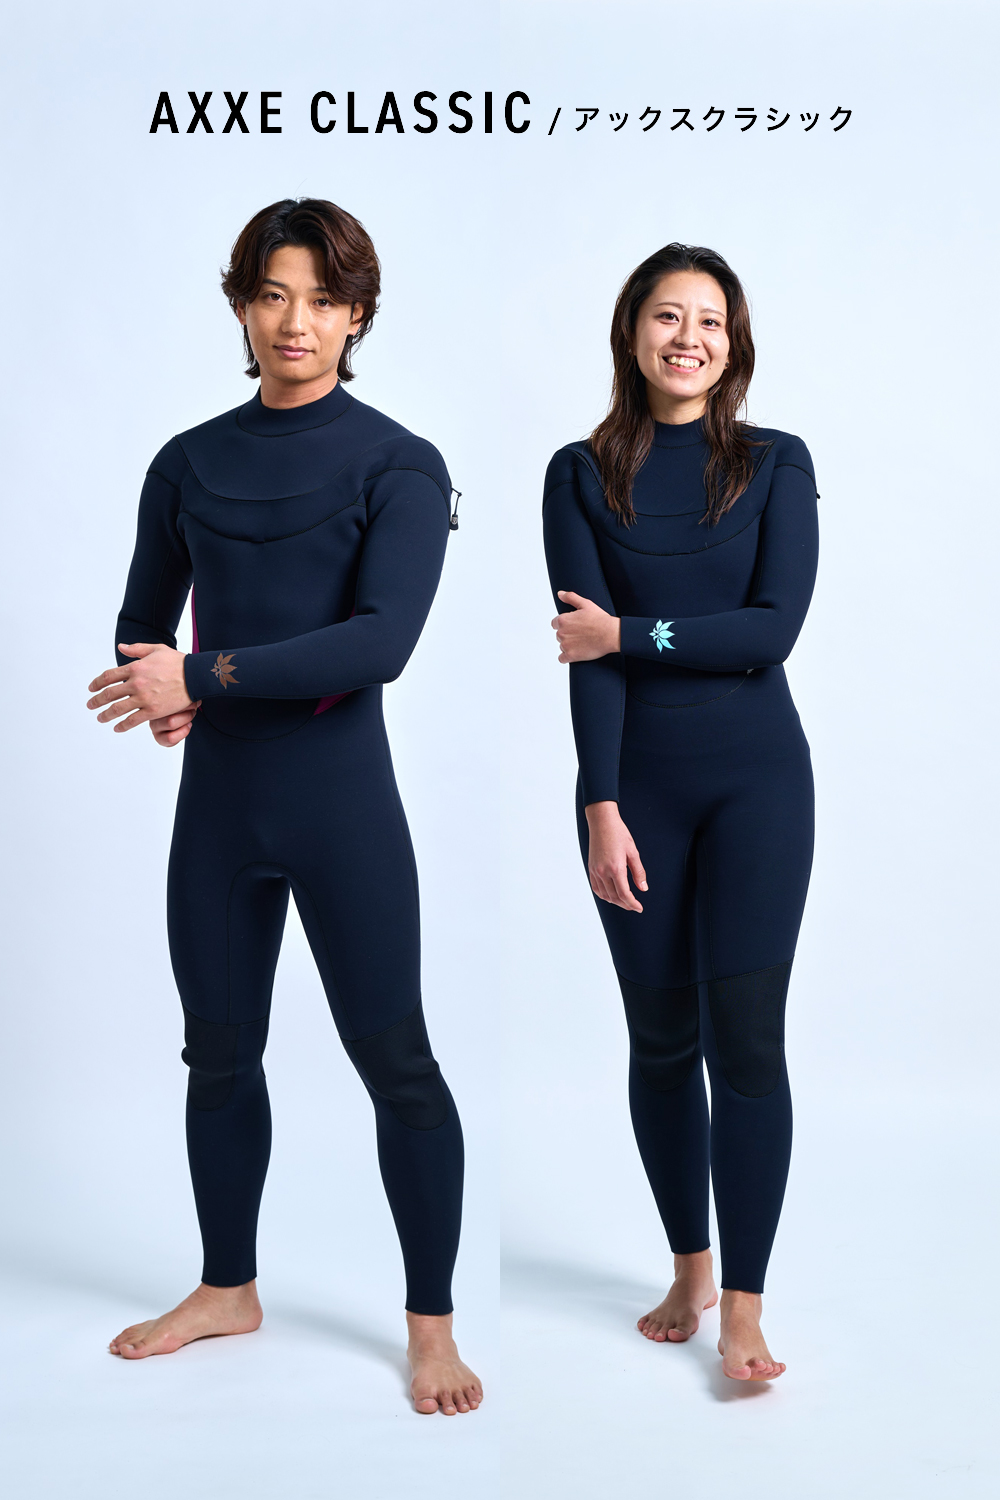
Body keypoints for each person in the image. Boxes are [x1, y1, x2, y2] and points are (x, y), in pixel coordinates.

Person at [86, 197, 481, 1416]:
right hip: (220, 810)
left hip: (338, 802)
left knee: (396, 1062)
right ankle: (227, 1288)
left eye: (321, 298)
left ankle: (431, 1326)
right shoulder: (188, 461)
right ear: (242, 306)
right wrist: (155, 687)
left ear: (357, 315)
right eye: (271, 294)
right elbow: (143, 620)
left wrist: (198, 678)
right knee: (217, 1053)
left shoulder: (399, 462)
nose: (293, 321)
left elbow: (379, 643)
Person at [542, 244, 818, 1381]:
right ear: (632, 332)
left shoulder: (775, 463)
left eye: (710, 320)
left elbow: (770, 631)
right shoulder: (577, 473)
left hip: (758, 785)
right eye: (668, 315)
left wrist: (630, 632)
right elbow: (586, 661)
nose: (688, 337)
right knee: (661, 1042)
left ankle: (745, 1308)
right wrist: (601, 806)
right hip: (635, 790)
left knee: (746, 1042)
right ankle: (690, 1268)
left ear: (733, 342)